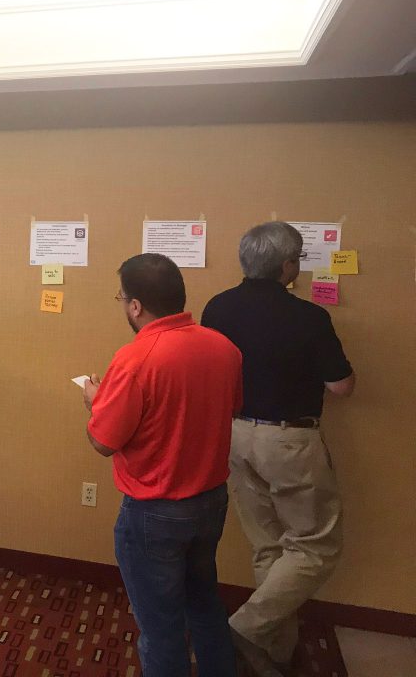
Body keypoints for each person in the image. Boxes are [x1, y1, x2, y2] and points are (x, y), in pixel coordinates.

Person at [202, 222, 355, 677]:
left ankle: (276, 651)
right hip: (288, 441)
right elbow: (341, 386)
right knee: (316, 546)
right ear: (287, 265)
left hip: (234, 435)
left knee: (268, 545)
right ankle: (245, 628)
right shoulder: (309, 317)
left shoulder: (217, 308)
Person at [80, 253, 242, 677]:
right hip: (211, 501)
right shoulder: (223, 347)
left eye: (122, 299)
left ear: (135, 305)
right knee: (205, 604)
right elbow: (229, 408)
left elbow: (102, 442)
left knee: (161, 626)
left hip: (155, 511)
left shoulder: (135, 359)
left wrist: (96, 402)